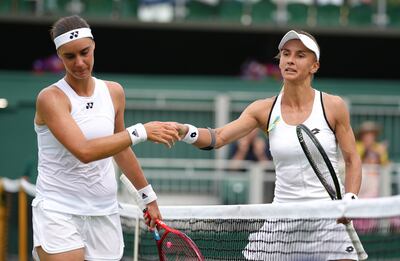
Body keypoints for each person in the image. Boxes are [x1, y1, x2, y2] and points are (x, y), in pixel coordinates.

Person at [175, 30, 363, 260]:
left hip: (328, 220)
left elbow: (353, 159)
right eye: (286, 54)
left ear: (314, 66)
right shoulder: (262, 110)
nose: (290, 60)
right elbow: (219, 137)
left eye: (300, 55)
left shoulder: (334, 106)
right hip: (282, 220)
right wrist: (185, 131)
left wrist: (350, 200)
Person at [32, 15, 180, 261]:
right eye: (70, 56)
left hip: (104, 212)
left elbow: (121, 149)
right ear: (59, 56)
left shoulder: (113, 92)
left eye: (84, 52)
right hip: (59, 211)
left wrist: (148, 198)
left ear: (94, 47)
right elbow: (84, 151)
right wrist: (141, 131)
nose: (79, 62)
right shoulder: (51, 98)